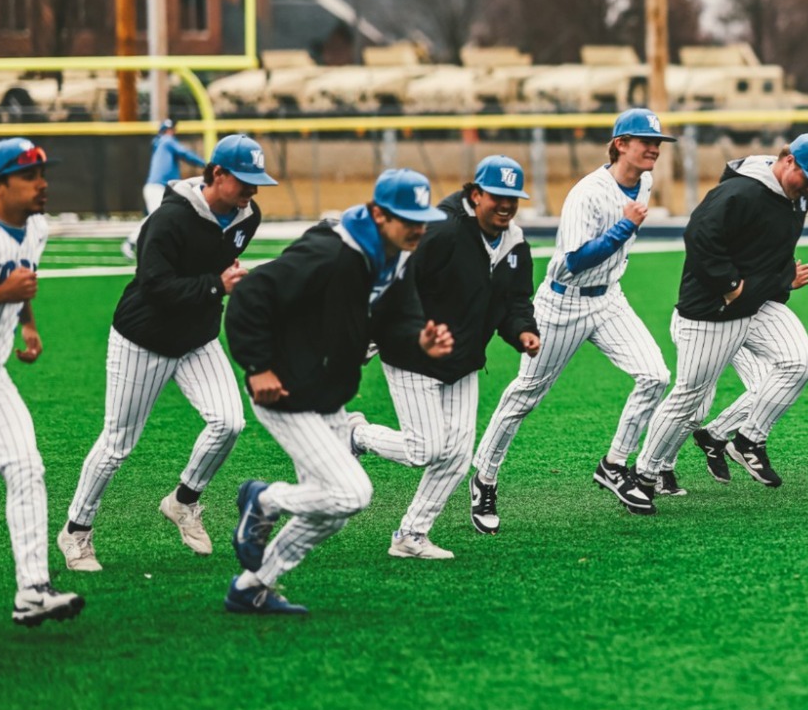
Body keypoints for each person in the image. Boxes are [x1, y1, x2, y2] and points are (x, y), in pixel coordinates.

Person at [222, 169, 454, 615]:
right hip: (283, 390)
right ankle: (263, 499)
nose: (419, 229)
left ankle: (252, 586)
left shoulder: (396, 257)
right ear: (379, 214)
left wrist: (419, 341)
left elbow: (397, 320)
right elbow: (252, 294)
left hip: (326, 393)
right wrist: (257, 367)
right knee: (352, 494)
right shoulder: (330, 252)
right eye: (409, 220)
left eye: (423, 220)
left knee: (330, 512)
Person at [60, 135, 276, 571]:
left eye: (258, 182)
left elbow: (218, 269)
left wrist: (224, 283)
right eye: (244, 181)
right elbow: (155, 286)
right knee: (117, 445)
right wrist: (217, 286)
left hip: (197, 337)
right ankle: (76, 531)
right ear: (217, 174)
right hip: (144, 337)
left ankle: (183, 501)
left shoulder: (248, 216)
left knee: (229, 422)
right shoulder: (168, 219)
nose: (252, 191)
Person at [468, 109, 674, 529]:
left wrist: (622, 232)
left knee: (655, 375)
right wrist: (623, 228)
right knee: (525, 395)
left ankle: (614, 464)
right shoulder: (588, 193)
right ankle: (484, 478)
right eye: (645, 140)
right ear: (620, 144)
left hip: (609, 298)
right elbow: (573, 262)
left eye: (657, 142)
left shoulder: (645, 181)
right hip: (564, 303)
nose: (654, 148)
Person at [355, 156, 540, 557]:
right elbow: (394, 280)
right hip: (413, 354)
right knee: (424, 450)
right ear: (475, 194)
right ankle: (356, 435)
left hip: (463, 360)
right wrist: (375, 335)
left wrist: (523, 331)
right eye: (497, 196)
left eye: (513, 198)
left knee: (456, 457)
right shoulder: (440, 229)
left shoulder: (514, 242)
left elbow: (515, 300)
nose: (506, 205)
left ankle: (411, 535)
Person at [635, 134, 808, 493]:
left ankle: (747, 441)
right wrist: (730, 286)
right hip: (711, 311)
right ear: (788, 160)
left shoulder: (799, 199)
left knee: (799, 363)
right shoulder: (740, 192)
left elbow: (769, 249)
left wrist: (783, 281)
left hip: (757, 305)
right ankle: (648, 473)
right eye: (807, 178)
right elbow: (699, 237)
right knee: (691, 402)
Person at [0, 139, 84, 626]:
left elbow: (21, 277)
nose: (41, 184)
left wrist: (27, 322)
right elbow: (8, 284)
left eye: (43, 174)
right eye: (28, 176)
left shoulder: (37, 228)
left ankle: (33, 589)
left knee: (27, 467)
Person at [122, 120, 206, 259]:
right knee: (156, 217)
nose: (172, 132)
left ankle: (172, 247)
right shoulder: (167, 141)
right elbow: (186, 154)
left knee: (171, 217)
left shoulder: (161, 144)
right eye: (169, 129)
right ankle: (131, 241)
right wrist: (205, 164)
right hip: (157, 188)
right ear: (165, 131)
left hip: (161, 188)